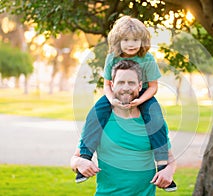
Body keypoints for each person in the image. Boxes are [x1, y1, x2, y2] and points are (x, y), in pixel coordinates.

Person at [76, 15, 177, 191]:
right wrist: (111, 100)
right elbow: (107, 85)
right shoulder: (112, 57)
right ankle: (85, 157)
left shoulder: (148, 59)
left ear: (143, 41)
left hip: (143, 94)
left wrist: (140, 100)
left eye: (136, 40)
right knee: (96, 114)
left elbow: (153, 87)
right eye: (126, 40)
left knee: (156, 119)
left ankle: (162, 166)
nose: (131, 44)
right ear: (117, 41)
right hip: (113, 95)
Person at [71, 60, 176, 195]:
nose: (126, 87)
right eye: (121, 82)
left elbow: (170, 159)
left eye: (131, 83)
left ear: (139, 86)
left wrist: (168, 170)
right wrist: (79, 163)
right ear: (112, 85)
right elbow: (75, 159)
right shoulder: (98, 121)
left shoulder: (153, 122)